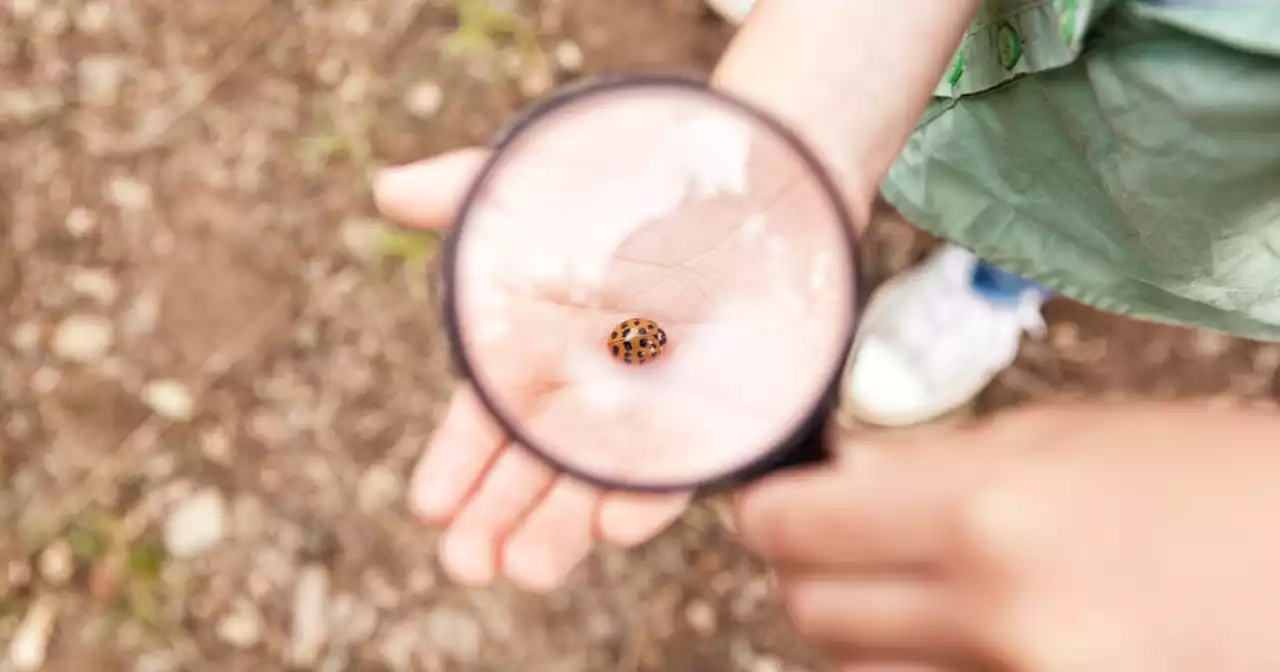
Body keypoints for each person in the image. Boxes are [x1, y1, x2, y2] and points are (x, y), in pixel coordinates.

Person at [372, 0, 1280, 669]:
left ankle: (1004, 280)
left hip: (1199, 189)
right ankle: (996, 270)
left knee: (1101, 211)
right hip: (1020, 74)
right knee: (1048, 189)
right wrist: (810, 100)